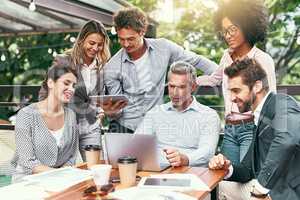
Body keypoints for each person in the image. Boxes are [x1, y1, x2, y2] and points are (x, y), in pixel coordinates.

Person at [103, 7, 218, 133]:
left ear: (142, 31)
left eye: (130, 39)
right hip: (124, 128)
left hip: (155, 127)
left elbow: (196, 60)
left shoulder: (164, 48)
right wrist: (111, 112)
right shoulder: (112, 67)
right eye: (121, 39)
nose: (125, 44)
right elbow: (118, 110)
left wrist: (222, 75)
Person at [197, 0, 276, 165]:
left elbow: (271, 100)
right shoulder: (227, 56)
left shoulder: (262, 59)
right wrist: (191, 81)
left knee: (247, 175)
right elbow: (214, 79)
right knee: (226, 174)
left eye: (233, 29)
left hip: (251, 128)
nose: (228, 35)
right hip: (230, 127)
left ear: (247, 26)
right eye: (225, 31)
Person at [209, 58, 300, 200]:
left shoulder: (282, 103)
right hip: (270, 190)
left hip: (288, 193)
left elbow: (287, 140)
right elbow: (247, 169)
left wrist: (260, 190)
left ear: (257, 86)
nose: (232, 98)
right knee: (215, 188)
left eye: (236, 90)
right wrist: (227, 168)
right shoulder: (259, 116)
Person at [41, 20, 112, 162]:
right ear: (81, 40)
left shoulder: (102, 67)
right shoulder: (64, 61)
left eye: (100, 44)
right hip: (67, 126)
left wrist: (101, 111)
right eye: (91, 43)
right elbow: (45, 92)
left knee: (95, 169)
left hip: (92, 126)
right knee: (64, 169)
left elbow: (100, 96)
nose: (95, 48)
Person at [135, 61, 220, 167]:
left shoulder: (209, 115)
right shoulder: (155, 113)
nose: (175, 93)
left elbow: (207, 151)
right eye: (171, 86)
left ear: (193, 87)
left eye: (181, 87)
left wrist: (186, 159)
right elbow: (137, 144)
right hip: (157, 172)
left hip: (192, 173)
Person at [11, 60, 78, 182]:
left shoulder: (71, 116)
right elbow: (27, 162)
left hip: (60, 181)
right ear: (51, 83)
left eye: (74, 85)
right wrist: (59, 176)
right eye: (66, 83)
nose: (71, 89)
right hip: (28, 181)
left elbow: (72, 156)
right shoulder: (26, 115)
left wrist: (62, 178)